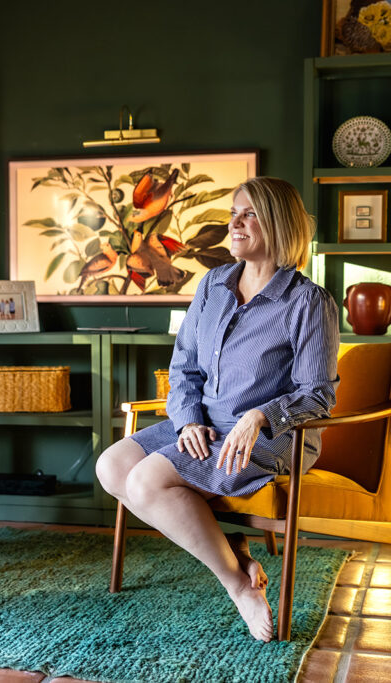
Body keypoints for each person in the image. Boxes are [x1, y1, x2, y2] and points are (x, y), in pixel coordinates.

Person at [95, 176, 340, 642]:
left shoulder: (308, 302)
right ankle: (230, 549)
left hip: (273, 437)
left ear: (279, 223)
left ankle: (238, 585)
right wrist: (187, 419)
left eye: (249, 214)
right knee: (112, 466)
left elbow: (319, 394)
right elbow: (183, 365)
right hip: (205, 423)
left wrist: (261, 415)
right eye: (233, 213)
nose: (235, 223)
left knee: (146, 481)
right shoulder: (212, 284)